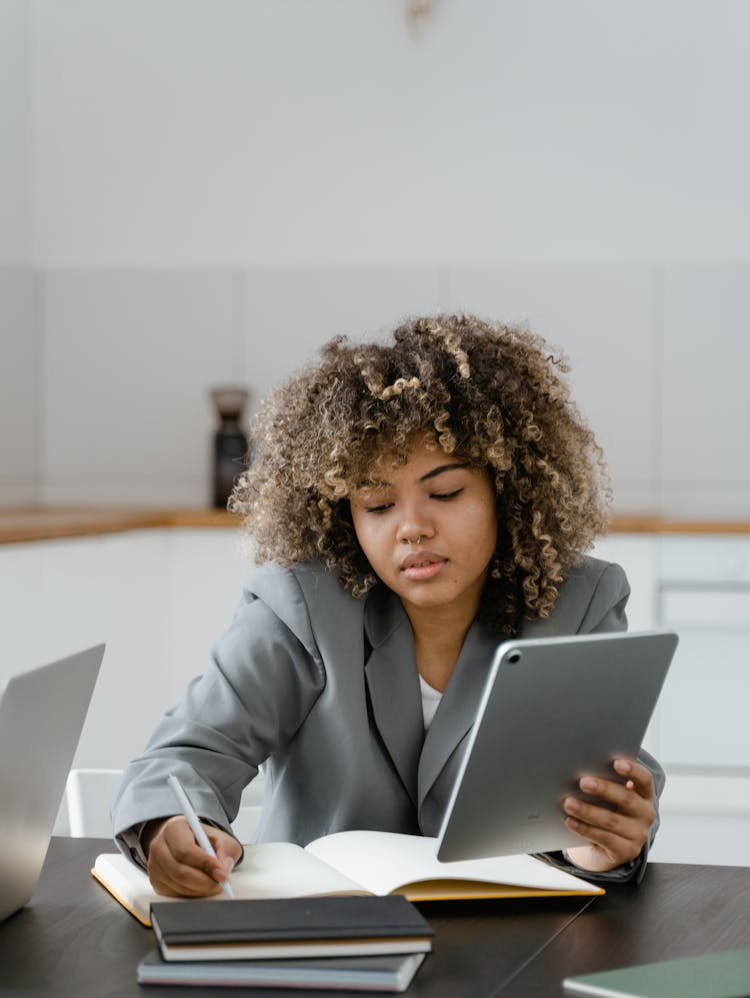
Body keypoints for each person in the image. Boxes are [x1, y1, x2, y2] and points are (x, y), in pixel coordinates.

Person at [112, 313, 663, 897]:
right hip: (318, 935)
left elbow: (609, 776)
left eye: (446, 493)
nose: (412, 529)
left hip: (513, 943)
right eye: (376, 504)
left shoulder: (579, 601)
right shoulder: (299, 607)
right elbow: (188, 754)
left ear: (506, 488)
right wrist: (170, 828)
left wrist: (602, 843)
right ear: (343, 514)